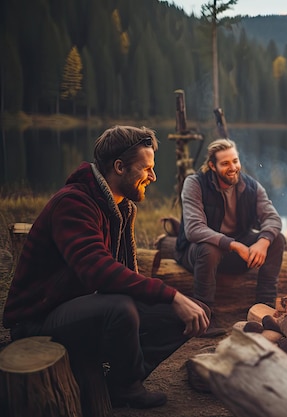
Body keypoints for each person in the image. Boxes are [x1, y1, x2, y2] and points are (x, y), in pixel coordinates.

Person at [2, 125, 210, 409]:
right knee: (121, 308)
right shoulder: (74, 203)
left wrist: (175, 301)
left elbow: (120, 273)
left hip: (82, 305)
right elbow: (97, 269)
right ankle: (125, 387)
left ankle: (117, 377)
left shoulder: (121, 208)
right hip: (38, 319)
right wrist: (171, 294)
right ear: (120, 167)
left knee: (195, 313)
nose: (153, 176)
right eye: (146, 168)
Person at [175, 138, 285, 315]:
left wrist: (263, 242)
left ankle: (264, 308)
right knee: (210, 249)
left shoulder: (251, 187)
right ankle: (204, 314)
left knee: (277, 240)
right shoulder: (195, 184)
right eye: (225, 163)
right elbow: (194, 229)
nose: (233, 167)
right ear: (212, 166)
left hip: (235, 255)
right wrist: (233, 244)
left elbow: (272, 217)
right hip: (197, 254)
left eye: (235, 161)